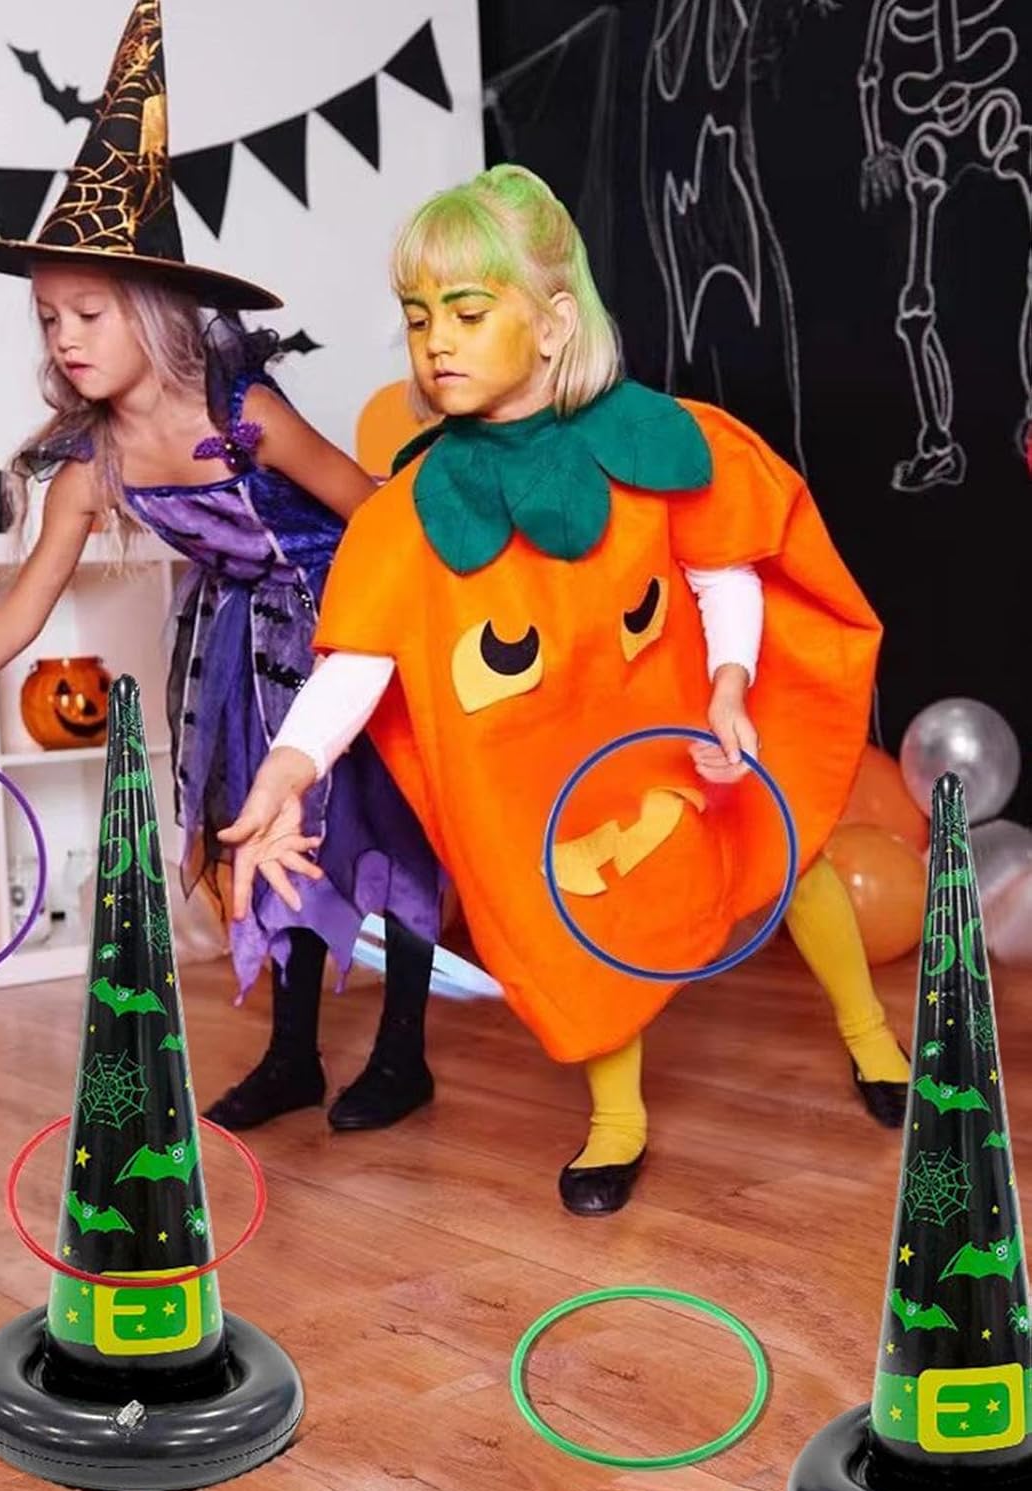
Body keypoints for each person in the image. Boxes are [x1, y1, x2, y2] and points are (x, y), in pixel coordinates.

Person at [220, 164, 910, 1214]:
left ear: (551, 325)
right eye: (418, 318)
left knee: (786, 853)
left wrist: (730, 687)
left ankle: (870, 1035)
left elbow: (722, 569)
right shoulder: (409, 515)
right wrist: (287, 767)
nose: (436, 342)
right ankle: (617, 1118)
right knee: (581, 925)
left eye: (466, 313)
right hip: (553, 772)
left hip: (675, 728)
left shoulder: (657, 443)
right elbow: (360, 658)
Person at [0, 0, 442, 1134]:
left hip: (350, 631)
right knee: (272, 838)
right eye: (48, 318)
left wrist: (395, 632)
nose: (64, 338)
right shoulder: (91, 465)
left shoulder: (243, 414)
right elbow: (21, 612)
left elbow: (373, 514)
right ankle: (294, 1057)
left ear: (156, 311)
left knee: (387, 824)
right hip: (243, 659)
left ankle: (404, 1052)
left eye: (88, 311)